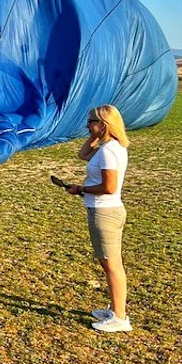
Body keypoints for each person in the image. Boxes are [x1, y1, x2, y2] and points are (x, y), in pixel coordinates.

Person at [63, 104, 132, 333]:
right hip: (105, 211)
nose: (87, 127)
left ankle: (120, 318)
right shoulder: (108, 146)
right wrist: (94, 136)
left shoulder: (110, 151)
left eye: (91, 123)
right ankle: (114, 309)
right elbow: (83, 155)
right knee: (108, 263)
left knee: (112, 265)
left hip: (105, 212)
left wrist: (81, 189)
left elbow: (109, 187)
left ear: (103, 124)